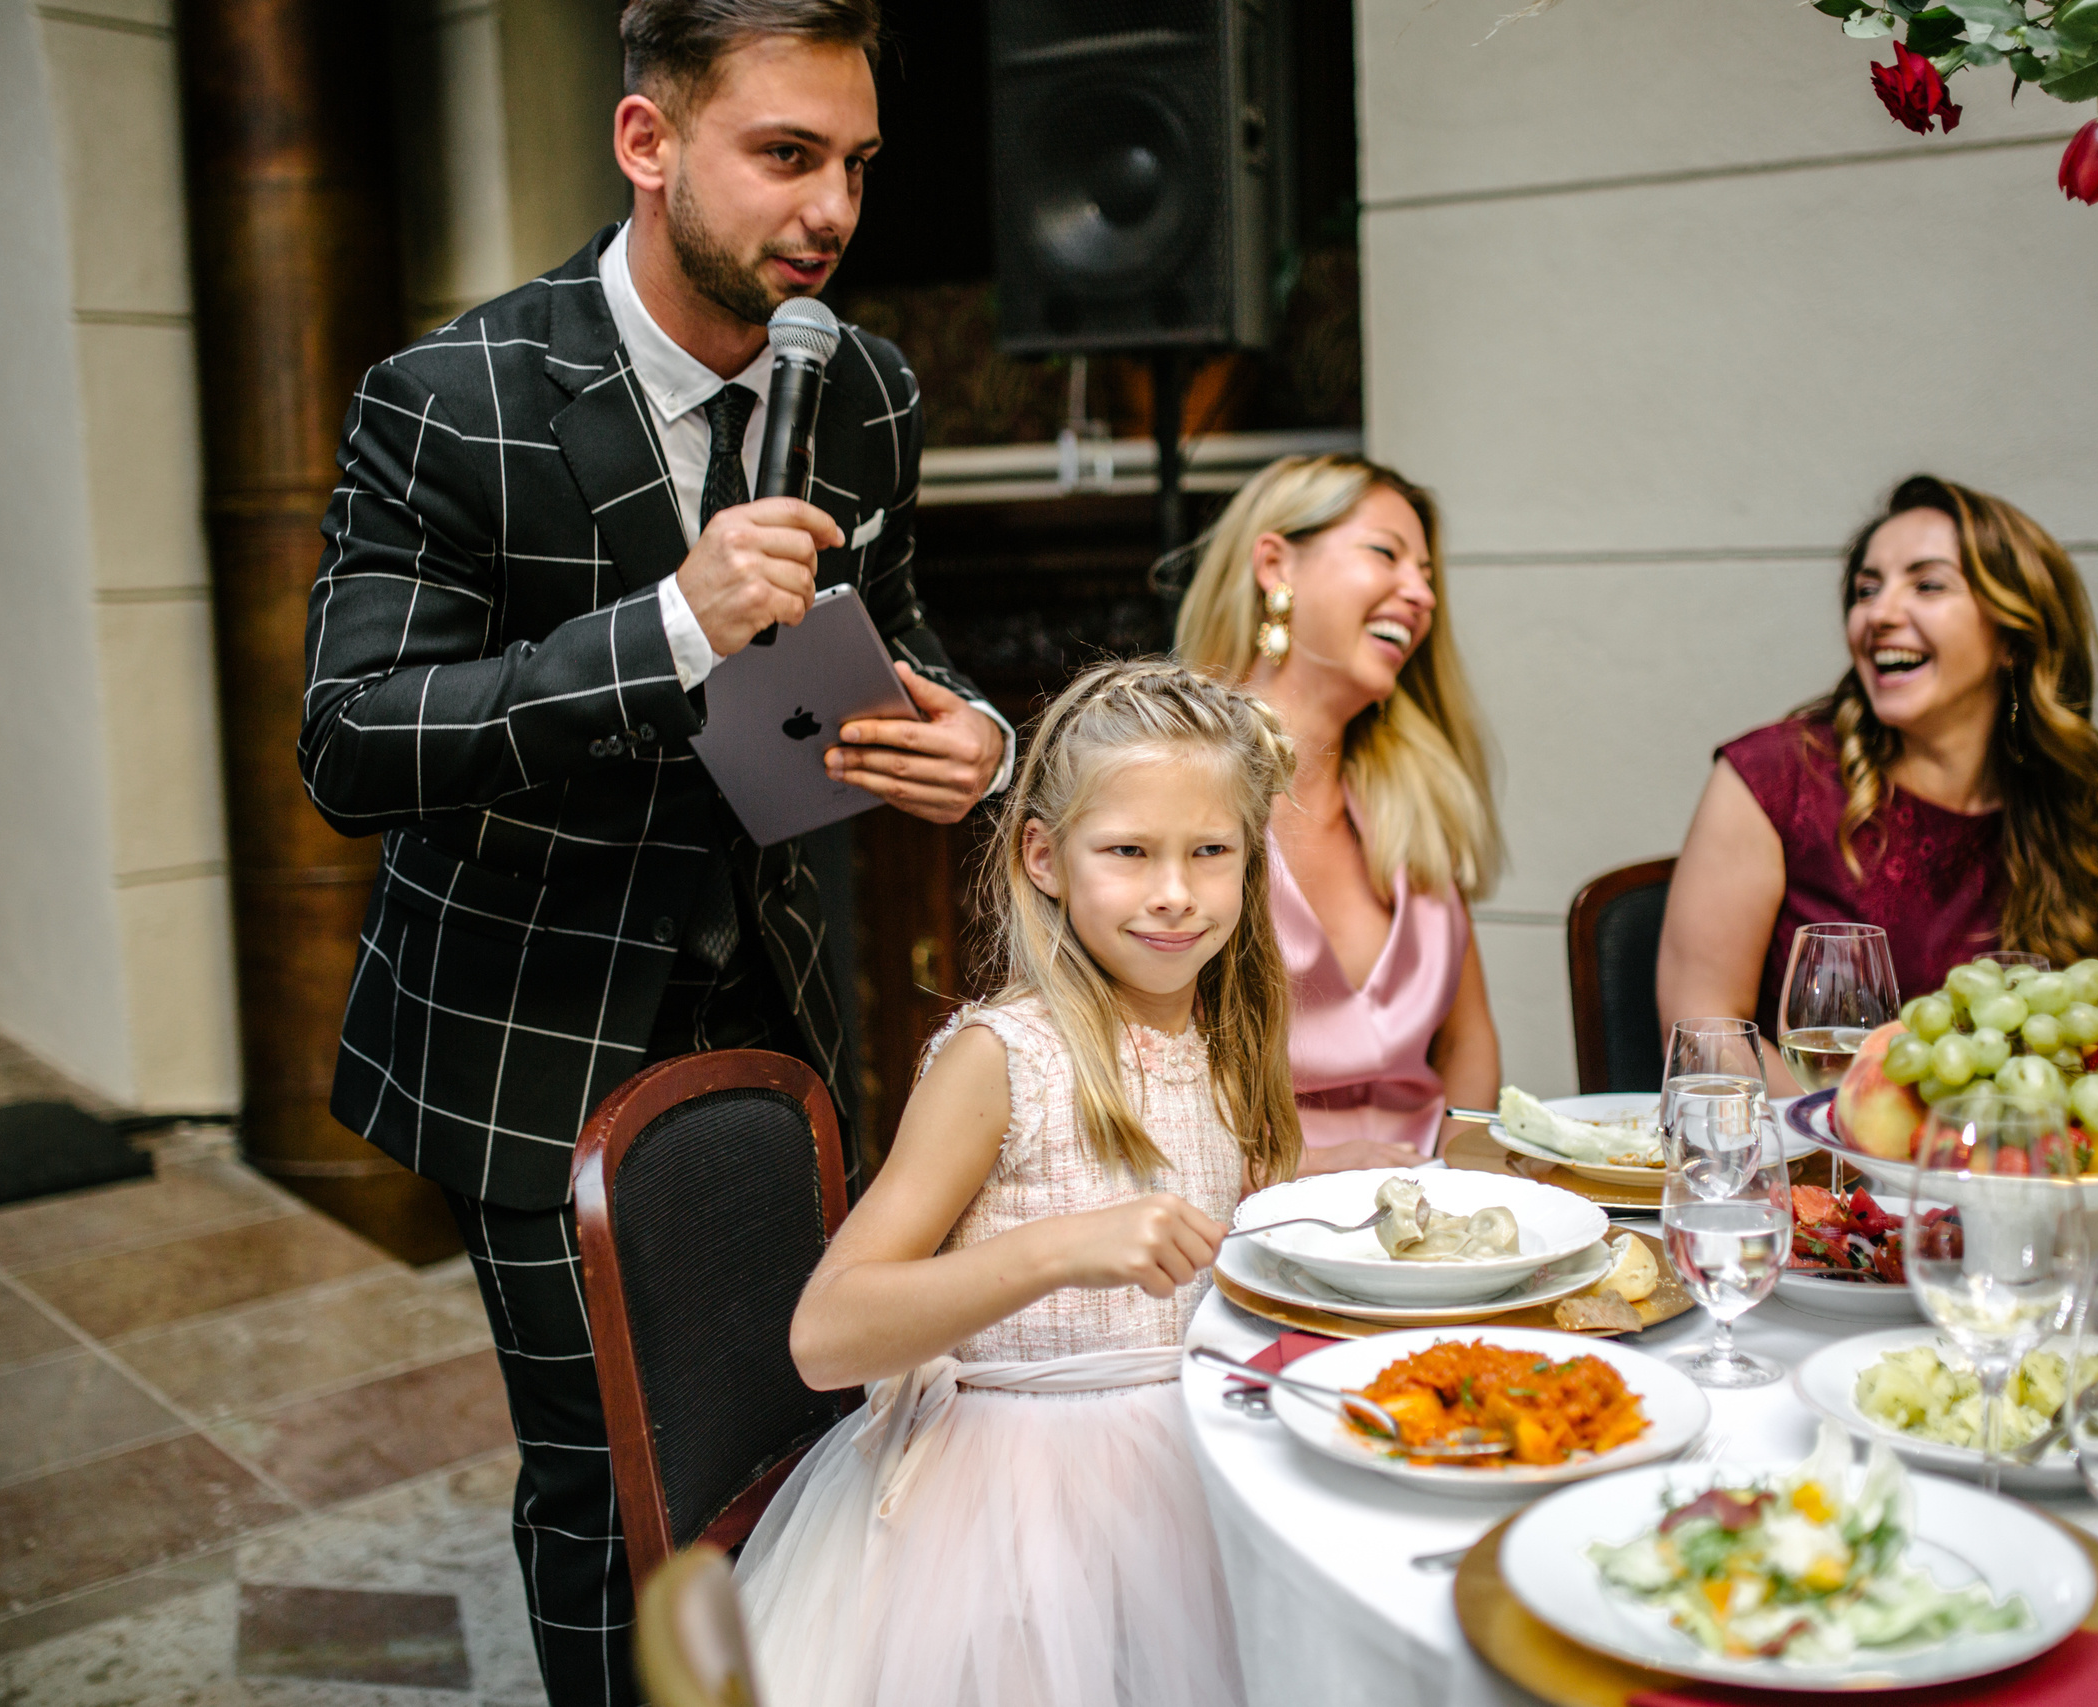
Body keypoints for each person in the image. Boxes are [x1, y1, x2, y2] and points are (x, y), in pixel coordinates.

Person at [297, 5, 1009, 1701]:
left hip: (775, 1006)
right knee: (614, 1472)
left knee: (790, 1416)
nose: (832, 210)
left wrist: (972, 733)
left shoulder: (867, 381)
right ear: (647, 144)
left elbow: (899, 628)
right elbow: (353, 738)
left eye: (854, 164)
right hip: (530, 1024)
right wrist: (670, 626)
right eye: (784, 156)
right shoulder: (448, 398)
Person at [736, 660, 1298, 1706]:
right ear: (1044, 854)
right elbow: (826, 1336)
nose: (1174, 891)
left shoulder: (1233, 1045)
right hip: (1010, 1521)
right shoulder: (1001, 1059)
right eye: (1128, 852)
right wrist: (1059, 1249)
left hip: (1205, 1472)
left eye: (1209, 852)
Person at [1659, 474, 2098, 1050]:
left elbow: (2070, 1049)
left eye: (1928, 585)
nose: (1879, 614)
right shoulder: (1770, 780)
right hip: (1807, 1138)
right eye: (1867, 591)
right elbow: (1702, 1030)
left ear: (2014, 637)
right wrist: (1863, 1133)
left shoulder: (2091, 813)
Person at [1174, 454, 1502, 1171]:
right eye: (1386, 553)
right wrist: (1305, 1176)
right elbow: (1130, 1078)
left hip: (1428, 1228)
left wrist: (1463, 1188)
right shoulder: (1174, 781)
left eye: (1428, 574)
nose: (1421, 594)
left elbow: (1469, 1041)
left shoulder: (1418, 797)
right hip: (1236, 1227)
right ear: (1274, 565)